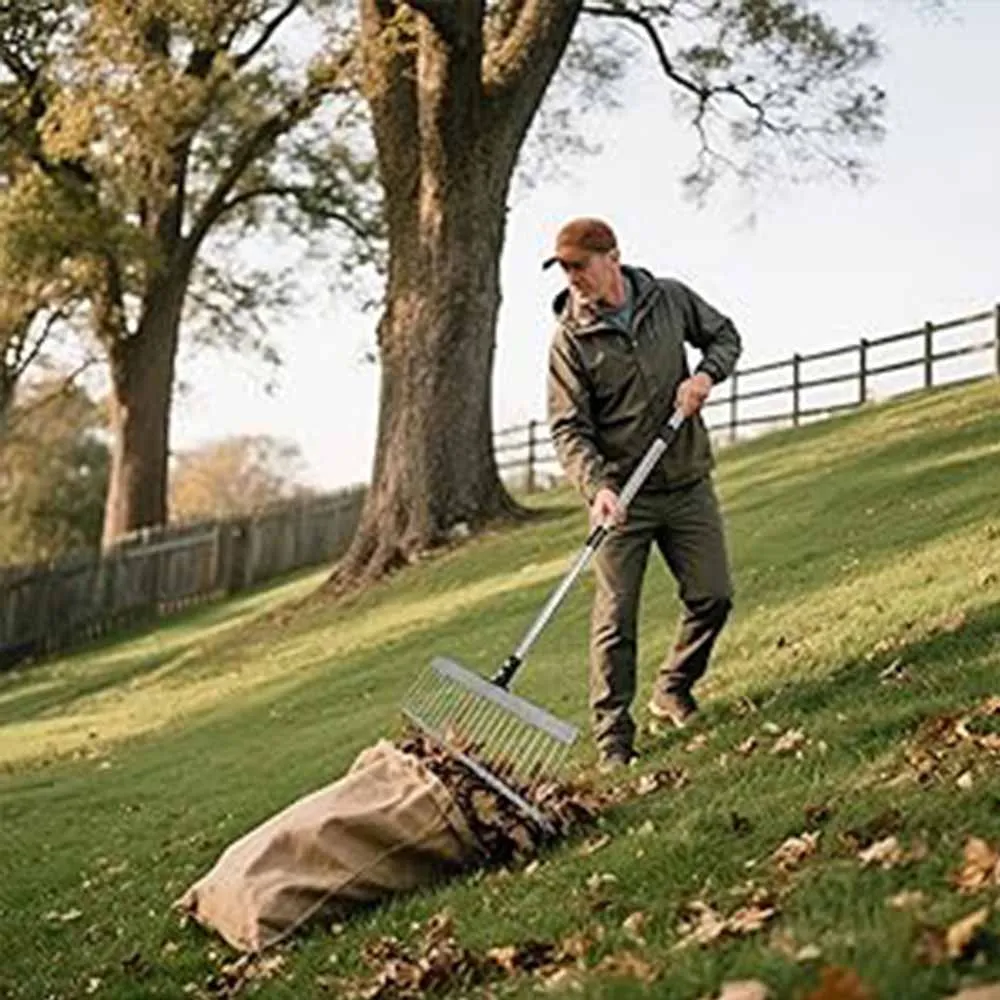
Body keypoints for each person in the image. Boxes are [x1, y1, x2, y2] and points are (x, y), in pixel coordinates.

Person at [544, 217, 742, 771]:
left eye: (579, 265)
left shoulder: (670, 299)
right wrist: (597, 487)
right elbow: (568, 428)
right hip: (621, 499)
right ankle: (613, 740)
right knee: (615, 620)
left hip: (685, 480)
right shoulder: (570, 341)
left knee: (713, 595)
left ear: (613, 257)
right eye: (564, 268)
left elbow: (726, 336)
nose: (572, 277)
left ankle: (674, 687)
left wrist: (705, 376)